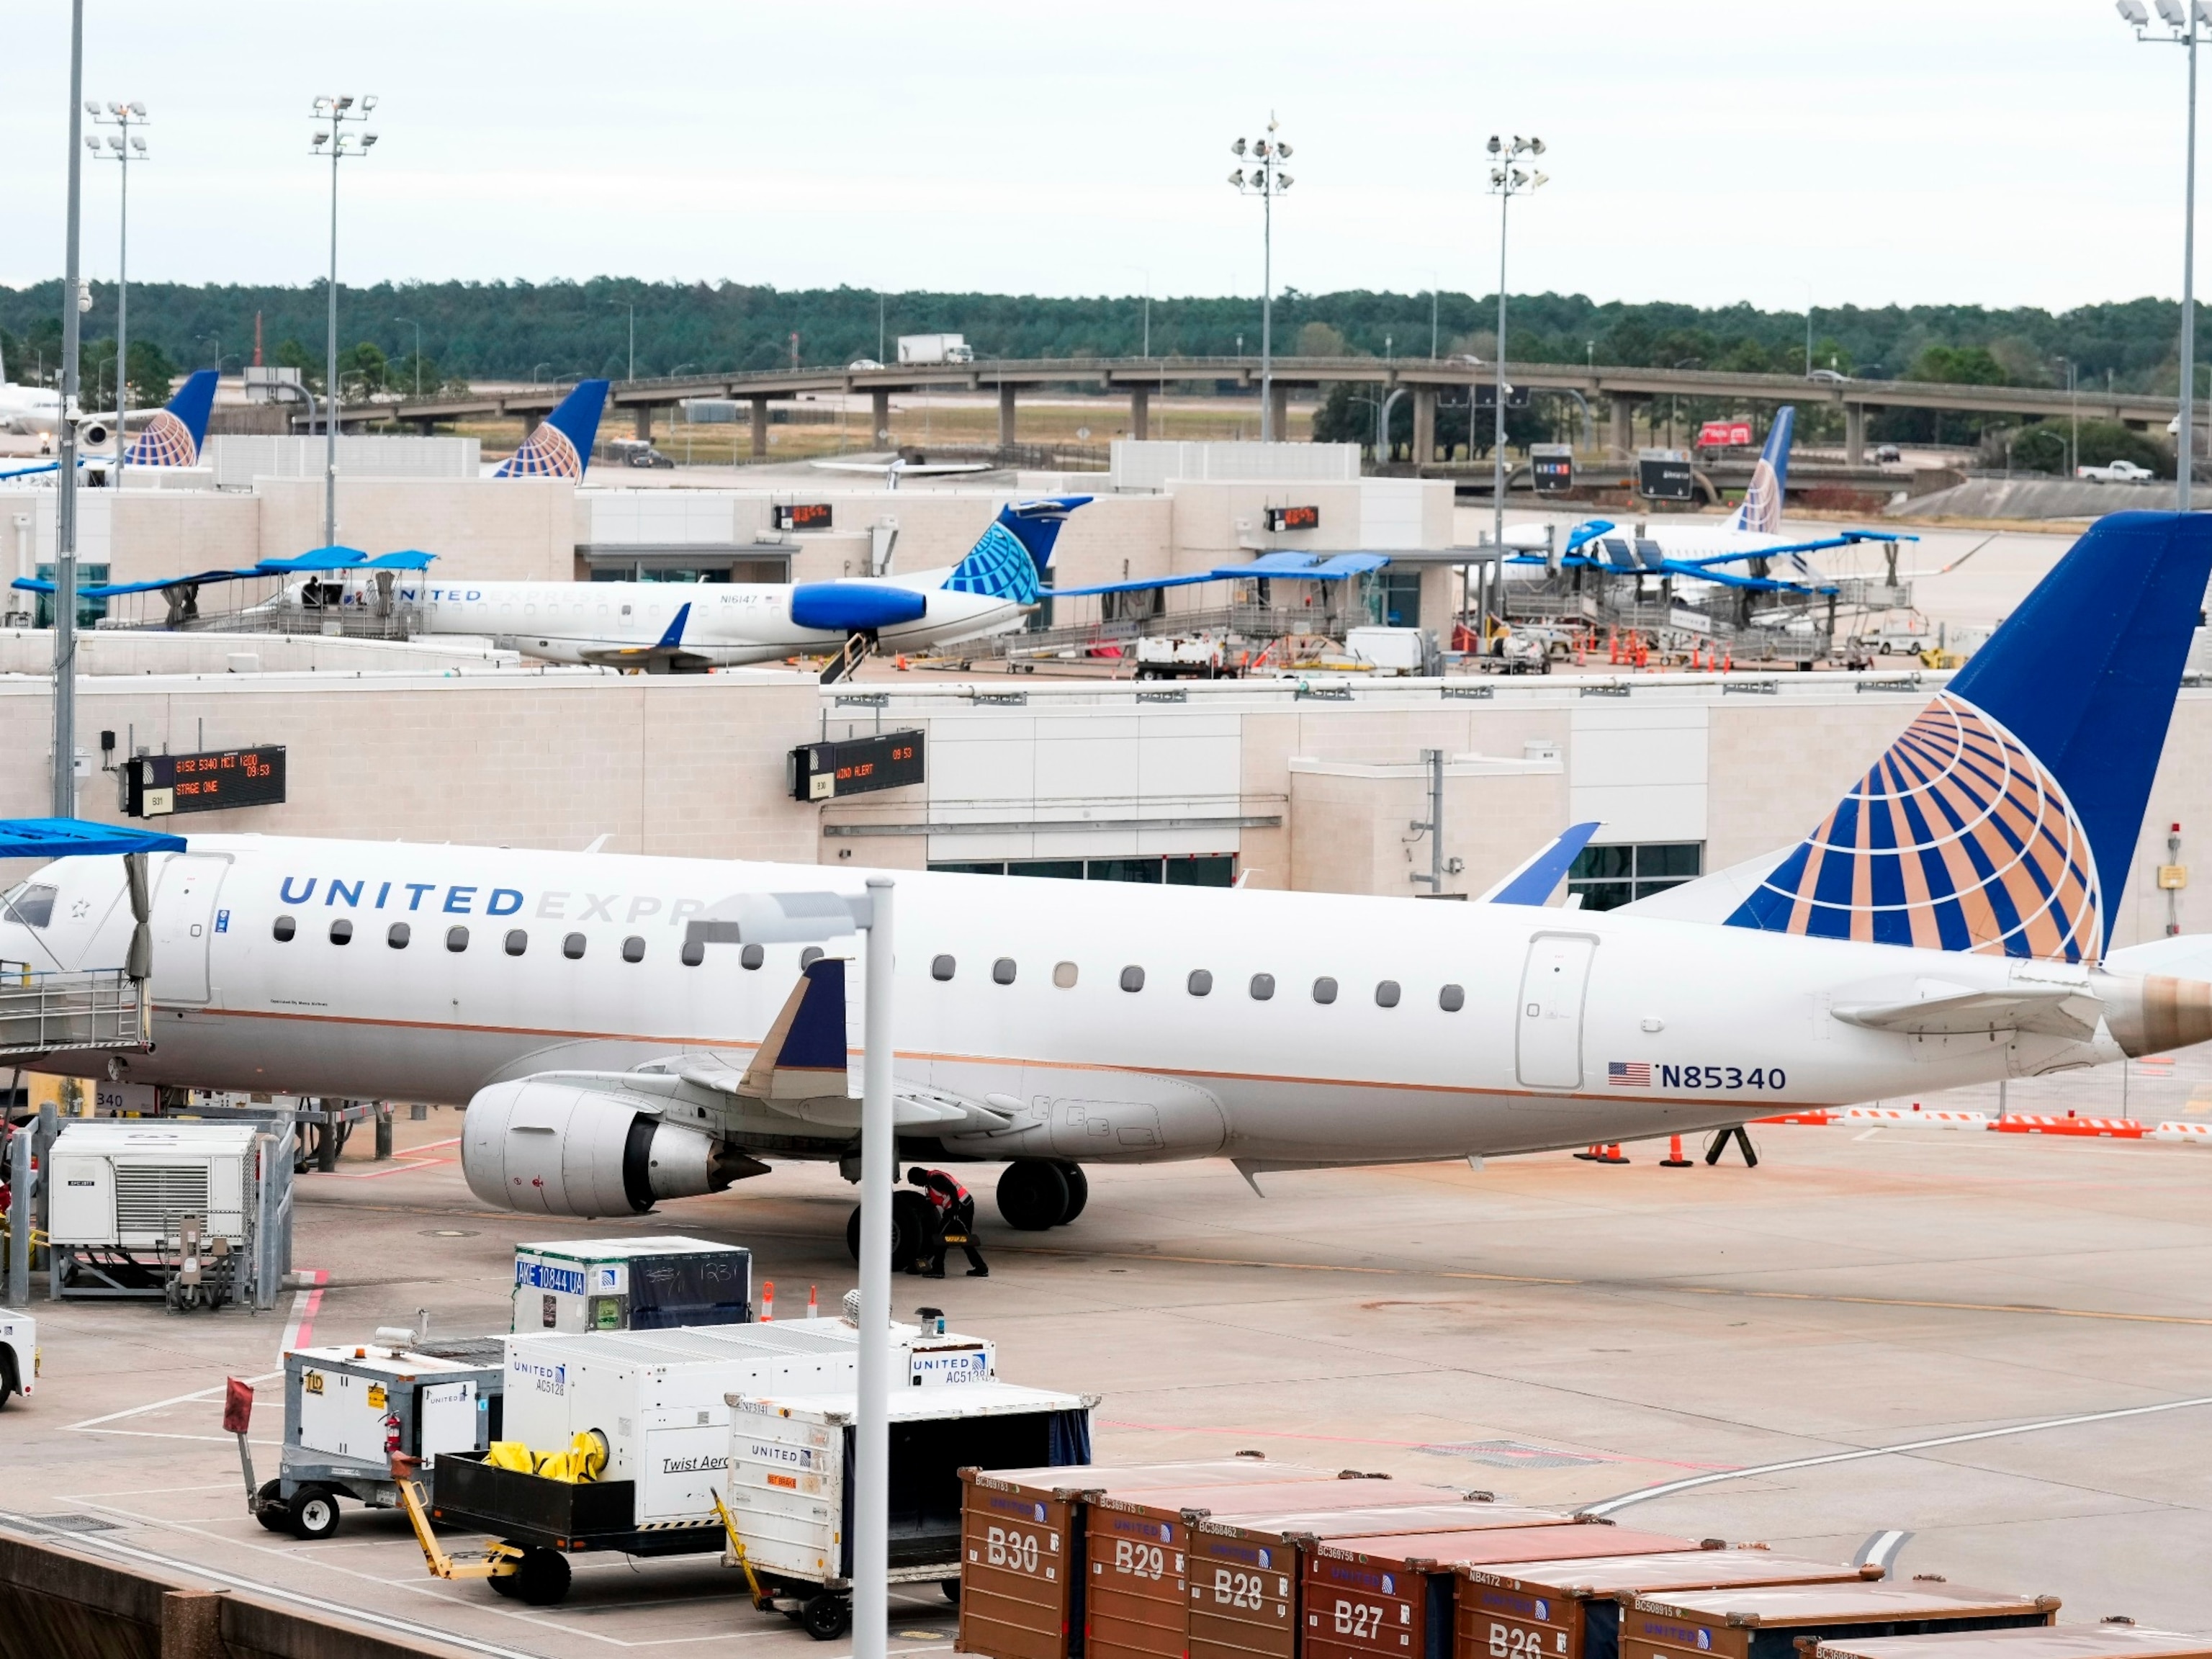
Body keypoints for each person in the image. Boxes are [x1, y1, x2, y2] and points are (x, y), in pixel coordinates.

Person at [907, 1166, 988, 1278]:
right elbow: (936, 1200)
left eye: (915, 1182)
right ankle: (981, 1268)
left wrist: (955, 1208)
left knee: (941, 1238)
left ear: (918, 1176)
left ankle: (938, 1269)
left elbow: (952, 1189)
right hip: (964, 1206)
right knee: (963, 1239)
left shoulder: (935, 1179)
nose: (917, 1185)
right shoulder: (932, 1179)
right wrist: (920, 1213)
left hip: (959, 1209)